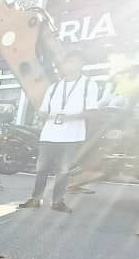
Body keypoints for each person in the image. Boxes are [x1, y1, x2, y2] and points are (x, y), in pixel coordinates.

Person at [18, 50, 100, 213]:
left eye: (73, 62)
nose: (68, 66)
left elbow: (92, 111)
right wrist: (43, 115)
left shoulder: (89, 84)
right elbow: (43, 110)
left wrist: (69, 117)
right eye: (66, 63)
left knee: (63, 170)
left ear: (80, 64)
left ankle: (57, 201)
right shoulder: (54, 87)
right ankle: (35, 199)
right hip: (49, 134)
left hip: (72, 135)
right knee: (41, 168)